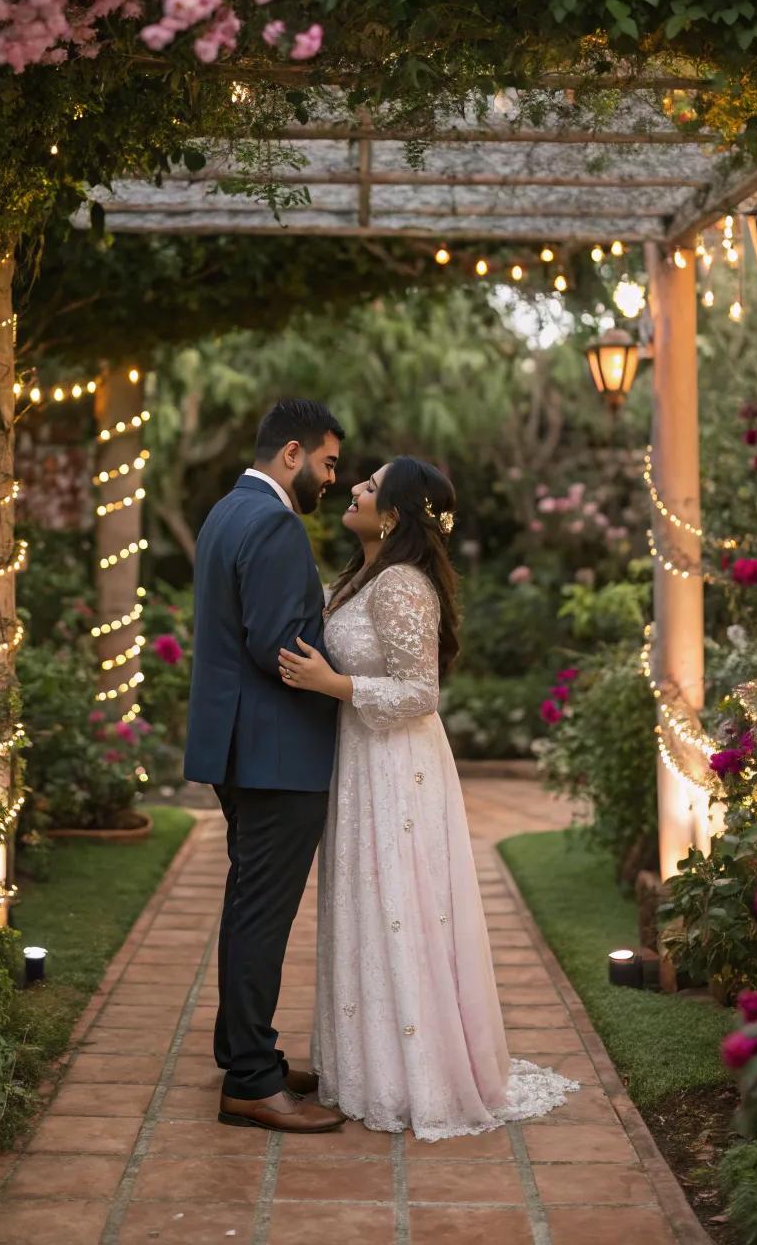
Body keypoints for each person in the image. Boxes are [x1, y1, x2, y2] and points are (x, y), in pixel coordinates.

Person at [279, 456, 578, 1139]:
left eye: (371, 488)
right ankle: (364, 1068)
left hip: (398, 770)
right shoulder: (364, 578)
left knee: (398, 906)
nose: (353, 488)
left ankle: (415, 1074)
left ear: (392, 515)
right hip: (362, 762)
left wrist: (338, 687)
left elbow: (421, 692)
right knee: (366, 904)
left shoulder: (402, 585)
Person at [184, 398, 348, 1134]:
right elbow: (281, 647)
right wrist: (359, 670)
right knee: (262, 913)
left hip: (238, 744)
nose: (333, 479)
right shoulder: (277, 523)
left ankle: (245, 1051)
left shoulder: (226, 511)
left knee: (248, 901)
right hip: (278, 752)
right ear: (292, 454)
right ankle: (250, 1078)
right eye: (328, 463)